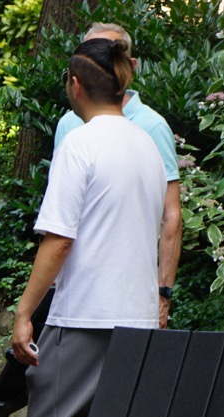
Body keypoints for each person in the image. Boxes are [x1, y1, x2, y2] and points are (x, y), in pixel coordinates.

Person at [12, 37, 166, 417]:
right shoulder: (148, 146)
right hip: (138, 315)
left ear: (75, 85)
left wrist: (23, 313)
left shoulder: (80, 144)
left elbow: (58, 241)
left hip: (85, 317)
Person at [54, 22, 180, 329]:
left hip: (129, 301)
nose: (97, 63)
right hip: (75, 299)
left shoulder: (152, 126)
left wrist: (163, 294)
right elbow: (61, 217)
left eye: (107, 56)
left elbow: (171, 215)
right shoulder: (68, 124)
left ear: (130, 66)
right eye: (88, 54)